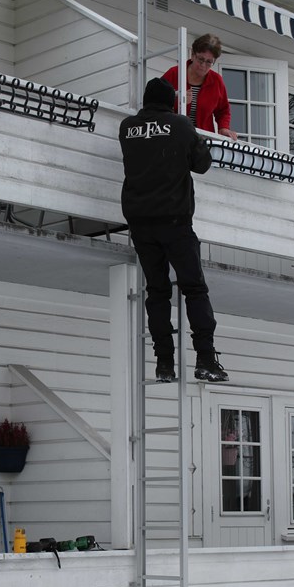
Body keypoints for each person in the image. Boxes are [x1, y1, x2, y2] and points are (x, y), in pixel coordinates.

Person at [118, 77, 229, 383]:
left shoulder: (127, 128)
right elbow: (201, 164)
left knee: (157, 292)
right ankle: (205, 358)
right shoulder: (180, 125)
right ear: (170, 102)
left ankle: (164, 363)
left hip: (140, 222)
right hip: (175, 222)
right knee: (193, 288)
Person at [162, 33, 237, 141]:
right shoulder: (174, 73)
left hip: (203, 142)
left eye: (209, 62)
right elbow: (155, 103)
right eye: (201, 59)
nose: (203, 65)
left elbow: (223, 110)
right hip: (173, 137)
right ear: (192, 55)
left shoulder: (217, 81)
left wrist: (223, 127)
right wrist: (177, 102)